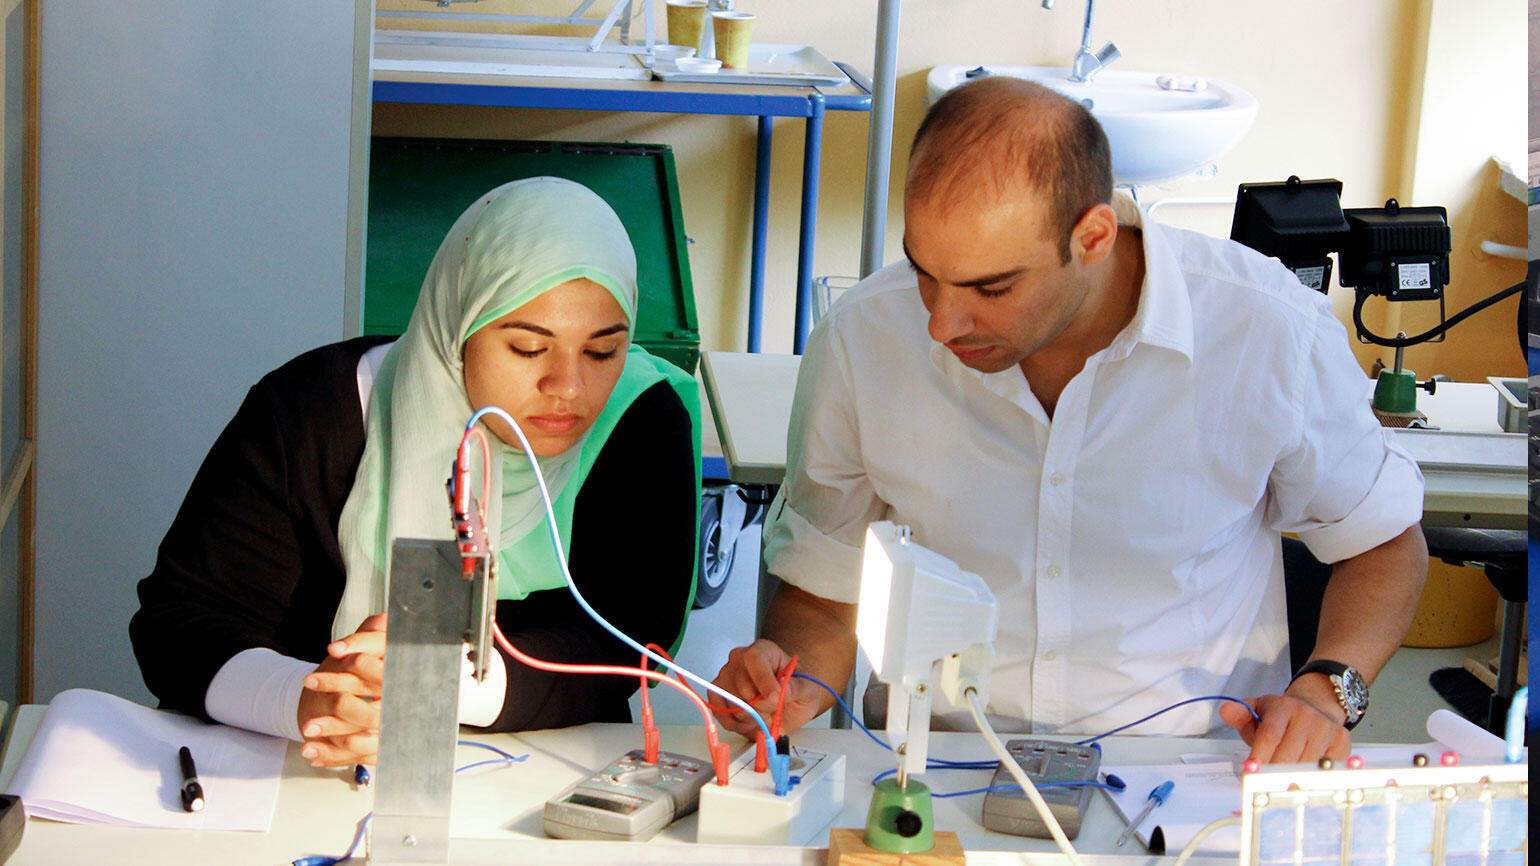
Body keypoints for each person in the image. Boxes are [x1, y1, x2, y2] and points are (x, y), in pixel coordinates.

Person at [711, 77, 1428, 764]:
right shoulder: (863, 338)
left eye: (991, 287)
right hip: (934, 764)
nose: (939, 322)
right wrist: (793, 679)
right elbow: (823, 589)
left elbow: (1382, 546)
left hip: (1185, 771)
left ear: (1093, 237)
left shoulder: (1266, 331)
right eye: (924, 270)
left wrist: (1331, 690)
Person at [132, 177, 701, 768]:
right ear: (457, 326)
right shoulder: (311, 414)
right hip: (300, 771)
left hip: (545, 781)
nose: (569, 388)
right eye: (529, 350)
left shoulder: (638, 421)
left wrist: (449, 683)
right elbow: (177, 626)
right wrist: (306, 701)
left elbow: (630, 644)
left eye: (602, 351)